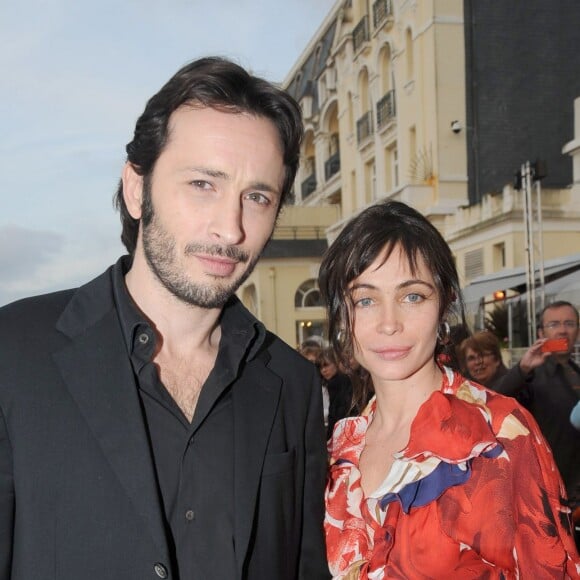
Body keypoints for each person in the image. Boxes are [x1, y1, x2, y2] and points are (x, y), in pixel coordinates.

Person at [0, 57, 330, 580]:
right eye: (203, 184)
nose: (231, 228)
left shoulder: (293, 384)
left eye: (258, 196)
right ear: (137, 189)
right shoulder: (14, 353)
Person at [318, 200, 579, 578]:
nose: (389, 323)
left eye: (412, 296)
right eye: (366, 299)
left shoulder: (501, 434)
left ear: (444, 305)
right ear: (344, 314)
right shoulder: (340, 448)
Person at [494, 301, 580, 523]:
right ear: (542, 332)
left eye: (569, 323)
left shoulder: (576, 372)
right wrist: (522, 369)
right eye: (554, 324)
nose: (562, 330)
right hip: (551, 499)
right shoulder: (531, 375)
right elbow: (495, 402)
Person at [318, 348, 355, 439]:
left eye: (326, 365)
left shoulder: (339, 383)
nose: (323, 370)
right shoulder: (333, 383)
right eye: (320, 367)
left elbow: (336, 415)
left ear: (336, 363)